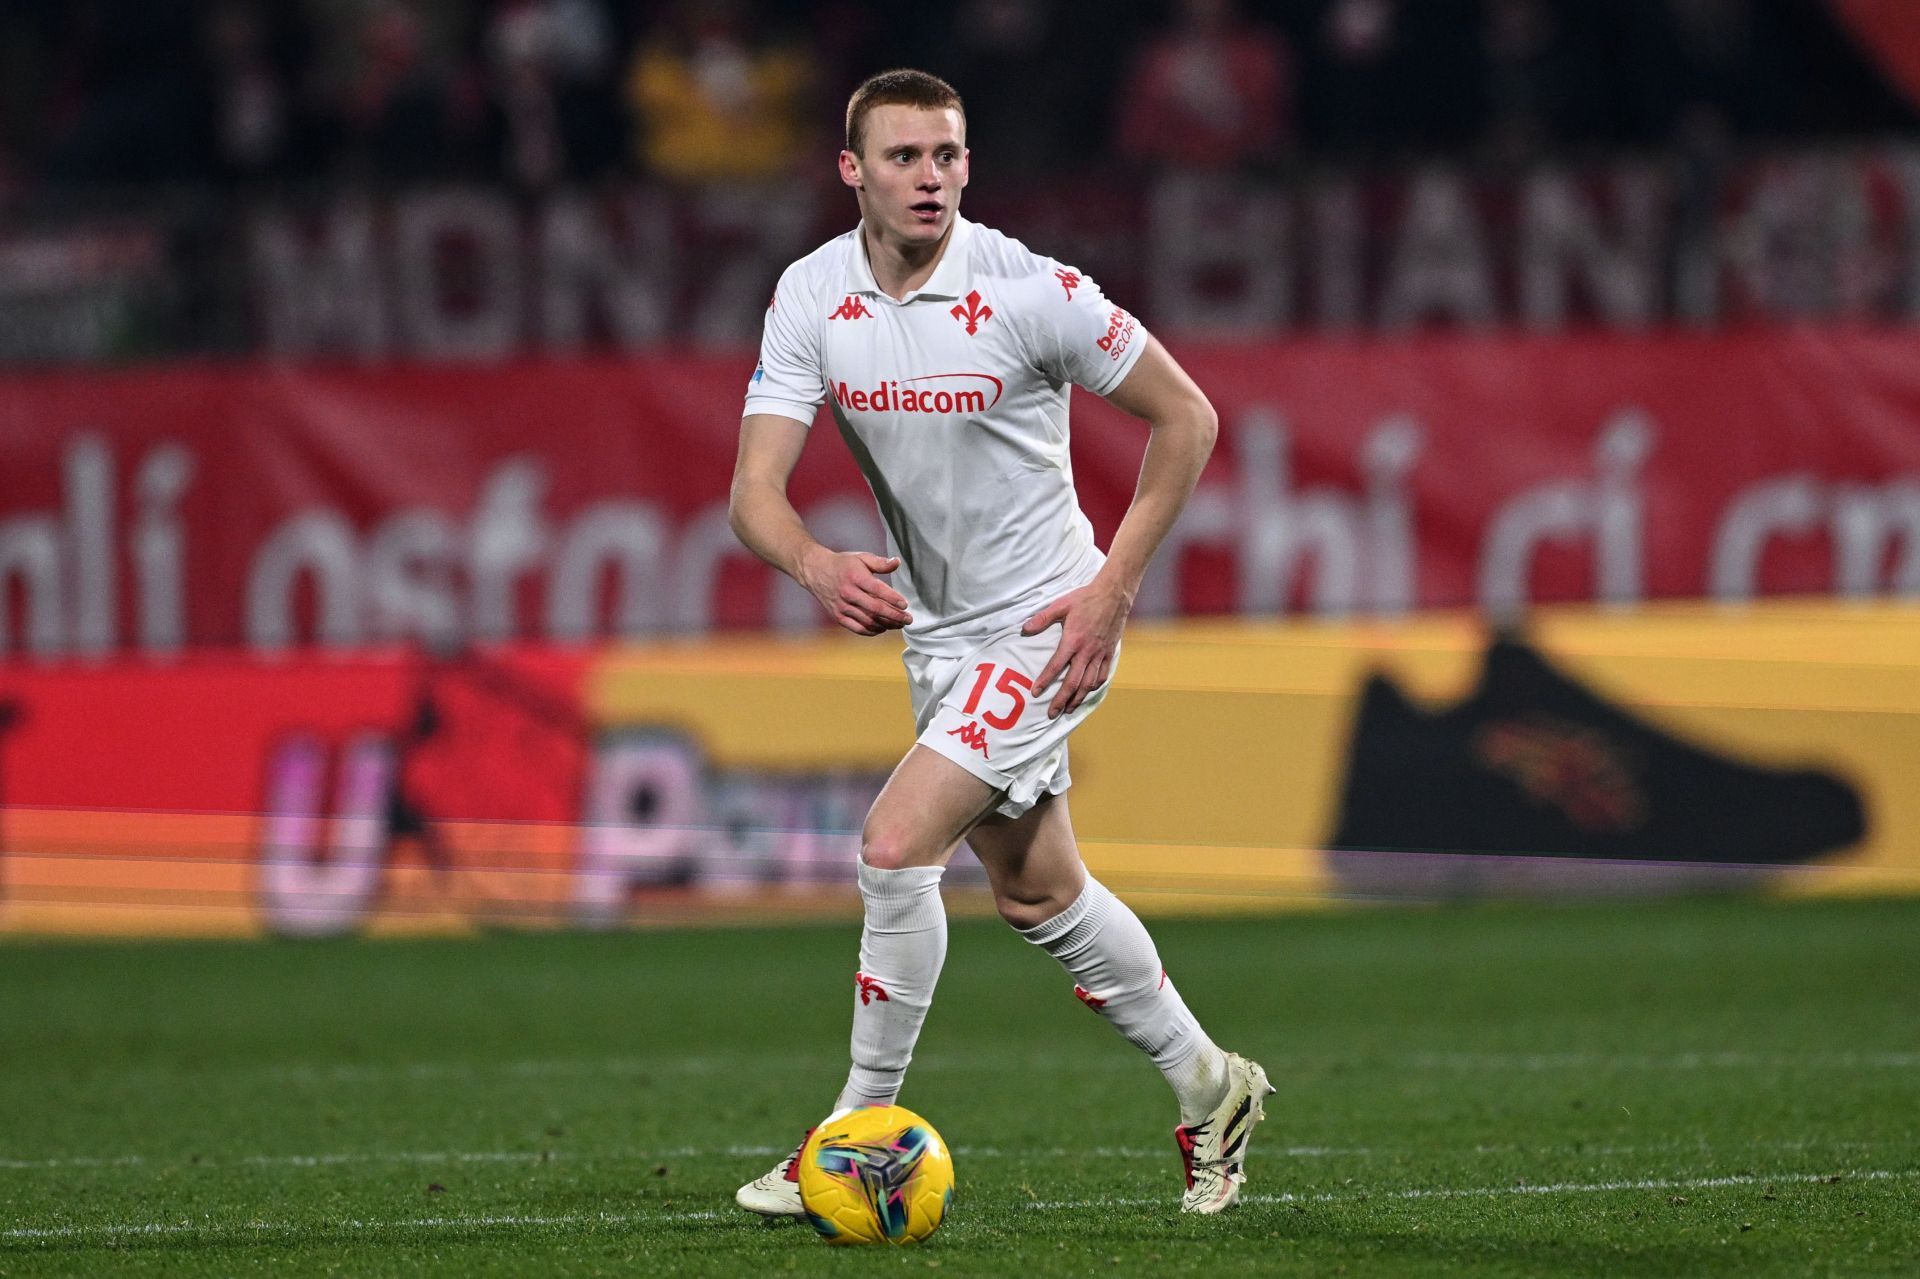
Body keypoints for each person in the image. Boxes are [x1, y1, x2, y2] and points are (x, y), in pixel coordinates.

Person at [726, 68, 1271, 1216]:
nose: (930, 178)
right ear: (853, 171)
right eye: (904, 158)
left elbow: (1190, 417)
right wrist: (815, 563)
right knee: (1035, 892)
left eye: (948, 156)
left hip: (1048, 623)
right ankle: (1209, 1082)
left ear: (969, 165)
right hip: (943, 639)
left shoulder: (1033, 292)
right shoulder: (811, 295)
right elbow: (753, 495)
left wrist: (1113, 588)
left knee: (891, 844)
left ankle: (849, 1135)